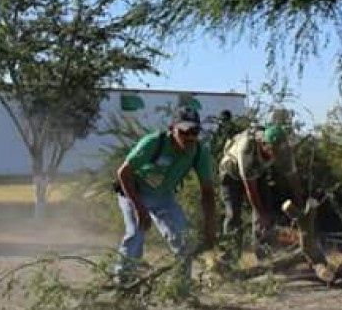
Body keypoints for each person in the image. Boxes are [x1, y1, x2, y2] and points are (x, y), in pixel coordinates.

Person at [114, 106, 217, 284]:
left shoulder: (199, 152)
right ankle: (123, 280)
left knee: (184, 237)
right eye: (184, 131)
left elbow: (207, 192)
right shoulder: (153, 143)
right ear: (172, 129)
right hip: (134, 193)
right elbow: (123, 173)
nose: (190, 137)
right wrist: (139, 208)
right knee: (135, 234)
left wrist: (210, 226)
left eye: (195, 131)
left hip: (163, 197)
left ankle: (181, 286)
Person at [218, 124, 294, 261]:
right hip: (231, 175)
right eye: (273, 150)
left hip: (257, 173)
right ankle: (229, 258)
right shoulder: (247, 149)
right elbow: (250, 190)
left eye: (279, 149)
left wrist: (301, 208)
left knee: (266, 208)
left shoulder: (283, 149)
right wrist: (261, 215)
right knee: (233, 214)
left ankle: (263, 256)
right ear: (263, 144)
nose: (277, 153)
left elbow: (293, 177)